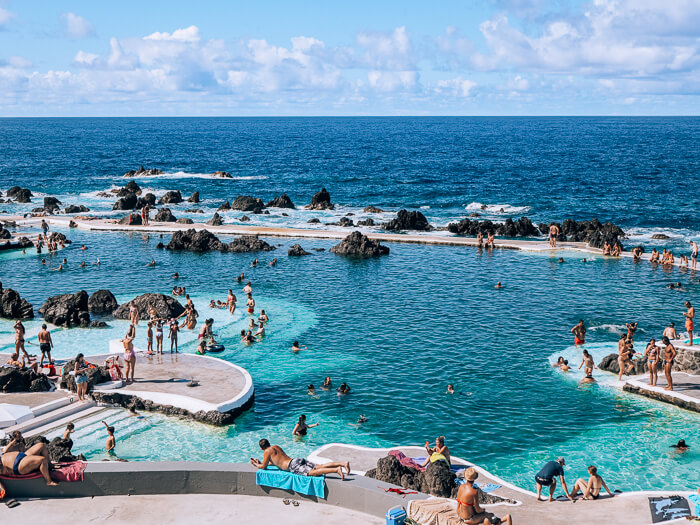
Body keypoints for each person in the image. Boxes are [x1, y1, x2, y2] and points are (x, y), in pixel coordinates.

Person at [251, 439, 350, 479]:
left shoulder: (266, 451)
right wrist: (262, 462)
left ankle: (336, 470)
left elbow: (263, 467)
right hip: (296, 460)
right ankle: (343, 463)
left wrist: (256, 464)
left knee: (313, 473)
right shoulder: (276, 447)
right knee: (320, 466)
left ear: (261, 448)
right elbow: (278, 462)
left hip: (292, 466)